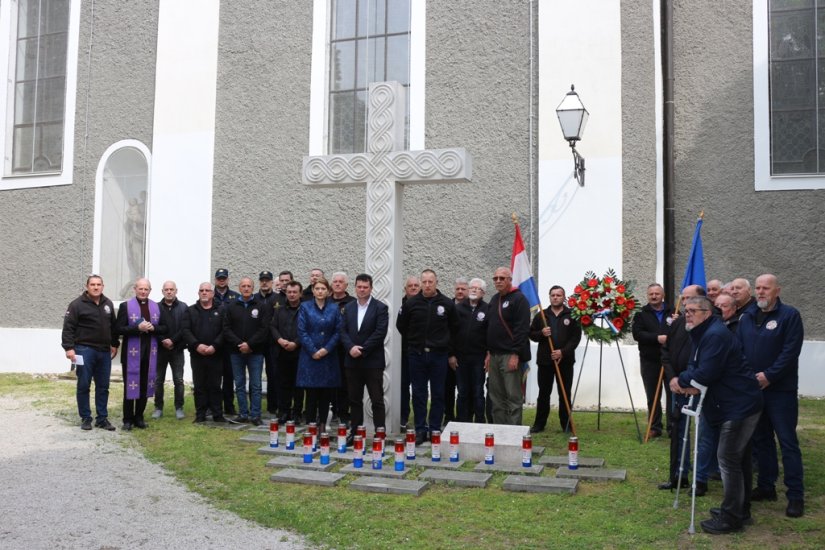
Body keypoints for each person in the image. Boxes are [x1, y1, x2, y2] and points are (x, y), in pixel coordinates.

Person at [676, 296, 762, 535]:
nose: (688, 314)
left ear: (707, 312)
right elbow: (695, 365)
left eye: (693, 310)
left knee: (727, 459)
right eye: (686, 310)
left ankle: (732, 518)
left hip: (739, 404)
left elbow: (705, 373)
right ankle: (740, 509)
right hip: (733, 402)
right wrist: (686, 377)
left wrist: (679, 380)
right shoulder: (703, 333)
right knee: (739, 458)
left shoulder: (714, 335)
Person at [738, 274, 805, 518]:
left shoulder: (789, 316)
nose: (761, 292)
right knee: (761, 439)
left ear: (777, 290)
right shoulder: (747, 317)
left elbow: (790, 352)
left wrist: (769, 376)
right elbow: (739, 349)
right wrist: (749, 377)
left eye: (766, 288)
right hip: (754, 390)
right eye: (757, 288)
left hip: (780, 391)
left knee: (787, 442)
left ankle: (795, 495)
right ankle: (766, 487)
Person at [396, 269, 458, 444]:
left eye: (431, 281)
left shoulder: (446, 303)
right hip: (417, 355)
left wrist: (448, 348)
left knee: (438, 393)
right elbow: (401, 326)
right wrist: (414, 342)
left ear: (436, 282)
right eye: (424, 282)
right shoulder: (411, 303)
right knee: (418, 393)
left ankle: (435, 429)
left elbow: (454, 328)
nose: (427, 285)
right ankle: (420, 430)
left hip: (439, 356)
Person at [658, 284, 704, 492]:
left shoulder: (709, 326)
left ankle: (701, 478)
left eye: (689, 299)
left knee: (702, 434)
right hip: (677, 386)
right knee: (678, 431)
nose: (684, 303)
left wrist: (687, 380)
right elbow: (666, 352)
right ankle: (678, 474)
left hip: (698, 387)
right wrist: (673, 378)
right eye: (683, 299)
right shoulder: (678, 323)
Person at [61, 274, 119, 431]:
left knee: (103, 386)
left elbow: (112, 326)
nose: (95, 287)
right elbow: (68, 328)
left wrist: (114, 343)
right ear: (87, 286)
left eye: (98, 284)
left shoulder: (108, 303)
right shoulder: (76, 305)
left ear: (103, 286)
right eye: (92, 284)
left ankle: (102, 418)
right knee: (84, 384)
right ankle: (86, 418)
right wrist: (68, 348)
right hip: (84, 350)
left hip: (104, 351)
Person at [340, 274, 389, 443]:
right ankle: (355, 433)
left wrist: (362, 349)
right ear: (355, 287)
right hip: (351, 361)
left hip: (372, 361)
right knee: (354, 399)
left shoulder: (380, 308)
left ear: (371, 288)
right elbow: (342, 331)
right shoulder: (348, 307)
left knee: (377, 399)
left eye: (365, 287)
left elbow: (380, 333)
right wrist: (350, 347)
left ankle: (380, 434)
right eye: (359, 287)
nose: (362, 290)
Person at [116, 278, 167, 430]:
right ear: (135, 289)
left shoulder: (156, 307)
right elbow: (118, 329)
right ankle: (127, 419)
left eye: (146, 289)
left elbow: (164, 328)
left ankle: (139, 417)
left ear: (150, 291)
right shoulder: (125, 306)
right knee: (130, 386)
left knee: (145, 387)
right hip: (131, 354)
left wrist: (153, 328)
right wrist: (137, 328)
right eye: (141, 289)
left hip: (149, 355)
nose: (143, 291)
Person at [529, 285, 581, 433]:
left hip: (565, 361)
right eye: (553, 295)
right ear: (549, 297)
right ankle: (539, 424)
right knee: (543, 393)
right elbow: (531, 334)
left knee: (564, 393)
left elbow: (575, 338)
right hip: (545, 361)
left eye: (559, 295)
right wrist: (541, 333)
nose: (556, 297)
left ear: (564, 297)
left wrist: (562, 352)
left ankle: (566, 424)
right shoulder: (542, 316)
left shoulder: (572, 315)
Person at [485, 267, 531, 426]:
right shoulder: (494, 299)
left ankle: (514, 433)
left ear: (510, 280)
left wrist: (515, 354)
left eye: (502, 278)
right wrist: (489, 353)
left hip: (510, 356)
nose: (498, 281)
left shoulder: (519, 299)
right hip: (495, 355)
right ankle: (499, 431)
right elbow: (490, 327)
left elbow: (522, 329)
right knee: (496, 398)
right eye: (495, 278)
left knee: (513, 397)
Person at [222, 277, 271, 426]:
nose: (246, 288)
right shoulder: (231, 306)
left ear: (253, 287)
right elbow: (226, 328)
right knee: (240, 384)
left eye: (249, 286)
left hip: (255, 352)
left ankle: (255, 415)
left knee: (255, 385)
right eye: (243, 286)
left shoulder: (261, 306)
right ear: (239, 287)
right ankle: (243, 413)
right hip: (236, 352)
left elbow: (264, 329)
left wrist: (249, 344)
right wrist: (239, 344)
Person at [296, 277, 342, 432]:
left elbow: (338, 331)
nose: (320, 291)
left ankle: (323, 424)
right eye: (317, 289)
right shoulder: (305, 307)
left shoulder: (334, 308)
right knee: (311, 394)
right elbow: (302, 331)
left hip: (328, 357)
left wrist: (326, 349)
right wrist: (313, 350)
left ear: (328, 291)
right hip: (310, 357)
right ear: (313, 291)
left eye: (323, 289)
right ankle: (310, 425)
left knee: (325, 394)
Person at [181, 283, 227, 423]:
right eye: (202, 290)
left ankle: (217, 414)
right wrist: (196, 345)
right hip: (197, 354)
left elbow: (225, 330)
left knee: (215, 385)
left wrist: (215, 345)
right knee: (199, 385)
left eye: (207, 290)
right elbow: (185, 330)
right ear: (198, 293)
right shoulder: (190, 310)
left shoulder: (222, 309)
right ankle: (200, 415)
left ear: (213, 294)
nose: (204, 293)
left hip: (216, 354)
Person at [632, 283, 673, 437]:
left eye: (657, 293)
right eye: (651, 294)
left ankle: (672, 427)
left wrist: (678, 322)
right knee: (652, 395)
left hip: (670, 360)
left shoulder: (673, 313)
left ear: (662, 295)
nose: (654, 296)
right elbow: (638, 334)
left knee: (672, 394)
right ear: (647, 296)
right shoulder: (641, 314)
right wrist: (657, 338)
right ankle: (655, 427)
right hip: (650, 361)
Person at [152, 281, 188, 420]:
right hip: (160, 350)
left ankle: (179, 407)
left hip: (177, 349)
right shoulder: (155, 307)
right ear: (162, 291)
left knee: (178, 380)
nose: (169, 292)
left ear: (176, 291)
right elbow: (154, 326)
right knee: (158, 380)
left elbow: (185, 328)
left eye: (171, 289)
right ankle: (158, 408)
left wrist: (172, 341)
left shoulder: (183, 307)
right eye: (166, 289)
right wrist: (163, 340)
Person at [454, 277, 488, 423]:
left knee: (478, 392)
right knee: (462, 392)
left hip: (479, 357)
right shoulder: (457, 308)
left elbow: (491, 333)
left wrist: (489, 354)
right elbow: (451, 332)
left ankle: (479, 421)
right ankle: (462, 421)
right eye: (472, 287)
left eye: (478, 288)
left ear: (483, 293)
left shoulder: (488, 309)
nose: (474, 290)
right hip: (460, 357)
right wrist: (451, 354)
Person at [271, 281, 304, 423]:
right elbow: (273, 326)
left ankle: (297, 413)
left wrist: (295, 343)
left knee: (298, 385)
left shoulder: (305, 310)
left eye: (294, 292)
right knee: (283, 384)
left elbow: (307, 330)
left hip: (299, 352)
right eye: (289, 292)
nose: (291, 294)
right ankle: (284, 412)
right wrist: (279, 340)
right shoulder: (280, 309)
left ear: (300, 293)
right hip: (282, 352)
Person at [330, 271, 356, 426]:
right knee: (330, 382)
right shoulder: (325, 301)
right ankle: (331, 412)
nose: (338, 284)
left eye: (341, 282)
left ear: (346, 285)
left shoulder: (352, 303)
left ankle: (344, 413)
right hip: (328, 350)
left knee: (346, 383)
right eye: (335, 282)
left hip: (346, 349)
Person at [213, 268, 239, 415]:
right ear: (215, 280)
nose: (221, 280)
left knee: (229, 376)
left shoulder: (236, 297)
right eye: (219, 278)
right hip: (215, 342)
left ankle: (229, 406)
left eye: (224, 278)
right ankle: (214, 406)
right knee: (214, 378)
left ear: (228, 279)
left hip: (230, 344)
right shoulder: (209, 296)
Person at [256, 270, 281, 416]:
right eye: (262, 280)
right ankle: (256, 406)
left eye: (267, 280)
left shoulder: (278, 299)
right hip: (257, 343)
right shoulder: (254, 298)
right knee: (256, 375)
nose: (264, 282)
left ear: (272, 282)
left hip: (273, 343)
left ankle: (274, 405)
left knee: (273, 374)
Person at [444, 277, 469, 424]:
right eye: (457, 289)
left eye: (463, 289)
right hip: (448, 354)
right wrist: (450, 354)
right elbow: (445, 332)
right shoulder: (447, 306)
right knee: (447, 387)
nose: (460, 291)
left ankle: (463, 417)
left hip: (466, 356)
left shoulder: (473, 307)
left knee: (465, 389)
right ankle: (448, 415)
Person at [399, 275, 420, 429]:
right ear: (405, 289)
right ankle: (403, 416)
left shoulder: (424, 303)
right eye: (410, 286)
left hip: (420, 353)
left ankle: (420, 419)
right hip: (403, 352)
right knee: (403, 386)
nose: (413, 288)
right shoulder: (399, 304)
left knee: (419, 387)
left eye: (416, 285)